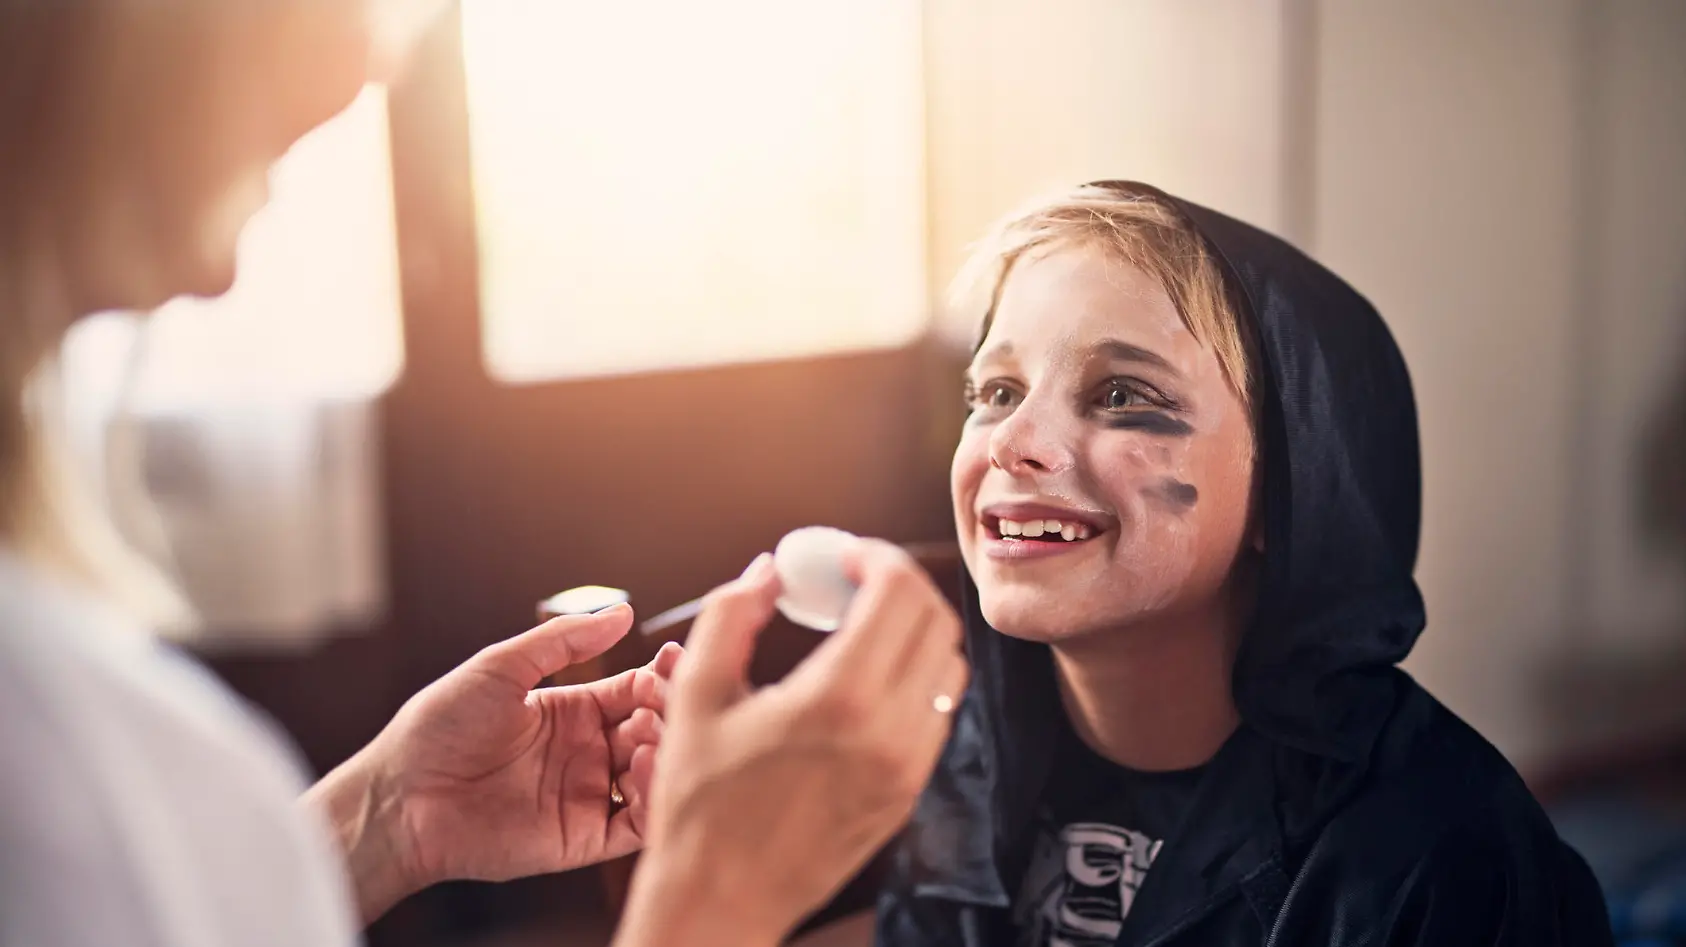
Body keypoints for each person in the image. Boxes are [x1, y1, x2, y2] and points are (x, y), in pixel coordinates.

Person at [0, 4, 967, 947]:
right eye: (995, 390)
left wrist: (389, 813)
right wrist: (721, 892)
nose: (365, 72)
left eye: (1122, 395)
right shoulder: (60, 764)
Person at [857, 182, 1615, 946]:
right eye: (997, 389)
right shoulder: (964, 751)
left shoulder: (1446, 856)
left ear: (1293, 487)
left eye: (1120, 393)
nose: (1009, 441)